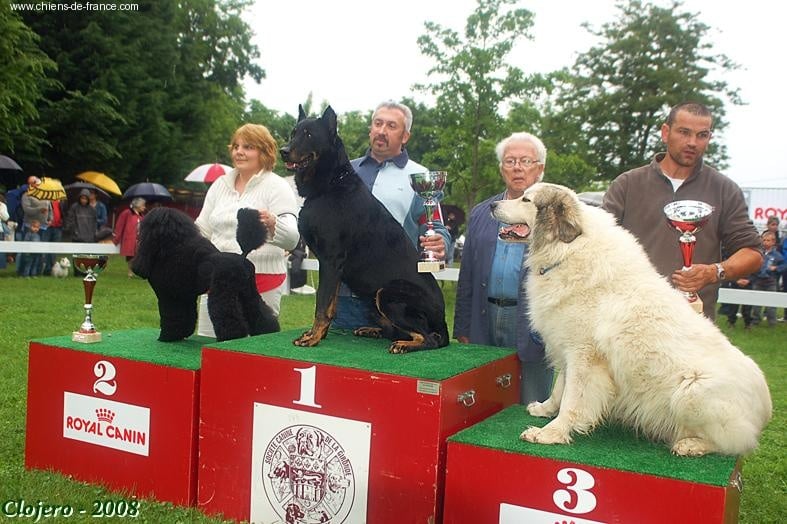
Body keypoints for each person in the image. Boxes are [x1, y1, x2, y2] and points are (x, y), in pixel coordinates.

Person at [602, 102, 762, 319]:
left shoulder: (724, 189)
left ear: (709, 138)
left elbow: (752, 254)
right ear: (665, 133)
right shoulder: (627, 184)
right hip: (629, 318)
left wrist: (713, 272)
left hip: (693, 325)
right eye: (684, 132)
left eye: (701, 135)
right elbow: (597, 244)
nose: (692, 143)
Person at [332, 100, 452, 328]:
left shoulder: (421, 176)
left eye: (391, 126)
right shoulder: (344, 171)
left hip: (393, 299)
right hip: (344, 297)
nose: (381, 131)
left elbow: (435, 226)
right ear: (370, 129)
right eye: (377, 123)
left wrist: (439, 243)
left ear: (405, 136)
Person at [454, 132, 553, 404]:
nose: (517, 167)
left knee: (533, 400)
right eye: (510, 161)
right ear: (501, 169)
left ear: (540, 168)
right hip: (485, 318)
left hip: (531, 321)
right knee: (484, 398)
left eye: (525, 161)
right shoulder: (482, 212)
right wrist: (463, 325)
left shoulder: (554, 215)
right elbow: (468, 275)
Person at [196, 123, 299, 332]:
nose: (239, 152)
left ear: (265, 152)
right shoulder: (219, 185)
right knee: (209, 348)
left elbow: (292, 239)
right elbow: (202, 229)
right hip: (218, 279)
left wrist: (273, 223)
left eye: (248, 147)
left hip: (262, 281)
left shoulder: (278, 187)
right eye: (236, 146)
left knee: (254, 353)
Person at [750, 230, 785, 327]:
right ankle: (755, 320)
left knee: (771, 304)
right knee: (756, 303)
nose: (765, 242)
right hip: (758, 281)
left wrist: (776, 268)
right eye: (764, 240)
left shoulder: (777, 255)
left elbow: (784, 265)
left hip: (771, 282)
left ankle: (772, 322)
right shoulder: (758, 253)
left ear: (773, 242)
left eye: (768, 240)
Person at [20, 178, 52, 276]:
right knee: (27, 252)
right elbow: (26, 209)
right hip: (30, 227)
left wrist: (50, 218)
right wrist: (39, 209)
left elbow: (50, 208)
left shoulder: (45, 195)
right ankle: (23, 272)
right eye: (37, 184)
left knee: (40, 251)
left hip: (43, 227)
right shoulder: (26, 195)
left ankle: (36, 272)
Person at [113, 197, 146, 278]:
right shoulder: (127, 213)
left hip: (139, 239)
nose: (144, 207)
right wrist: (116, 239)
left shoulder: (142, 216)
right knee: (131, 256)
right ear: (137, 205)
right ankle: (130, 272)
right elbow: (120, 226)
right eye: (143, 205)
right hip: (129, 239)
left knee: (138, 256)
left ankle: (136, 272)